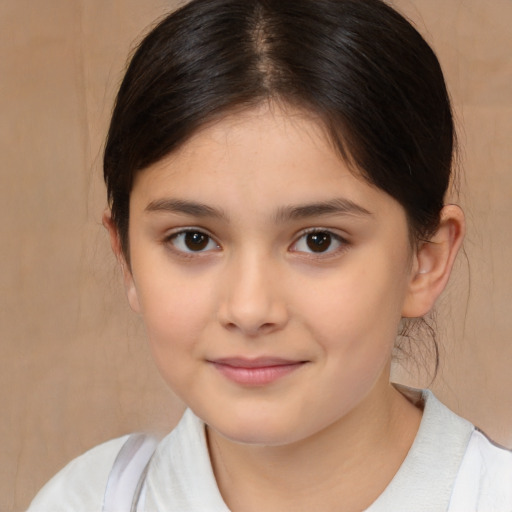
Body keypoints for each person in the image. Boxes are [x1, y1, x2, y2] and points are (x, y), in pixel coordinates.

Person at [28, 0, 512, 510]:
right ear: (126, 256)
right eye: (194, 239)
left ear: (425, 261)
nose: (250, 309)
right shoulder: (82, 500)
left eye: (318, 240)